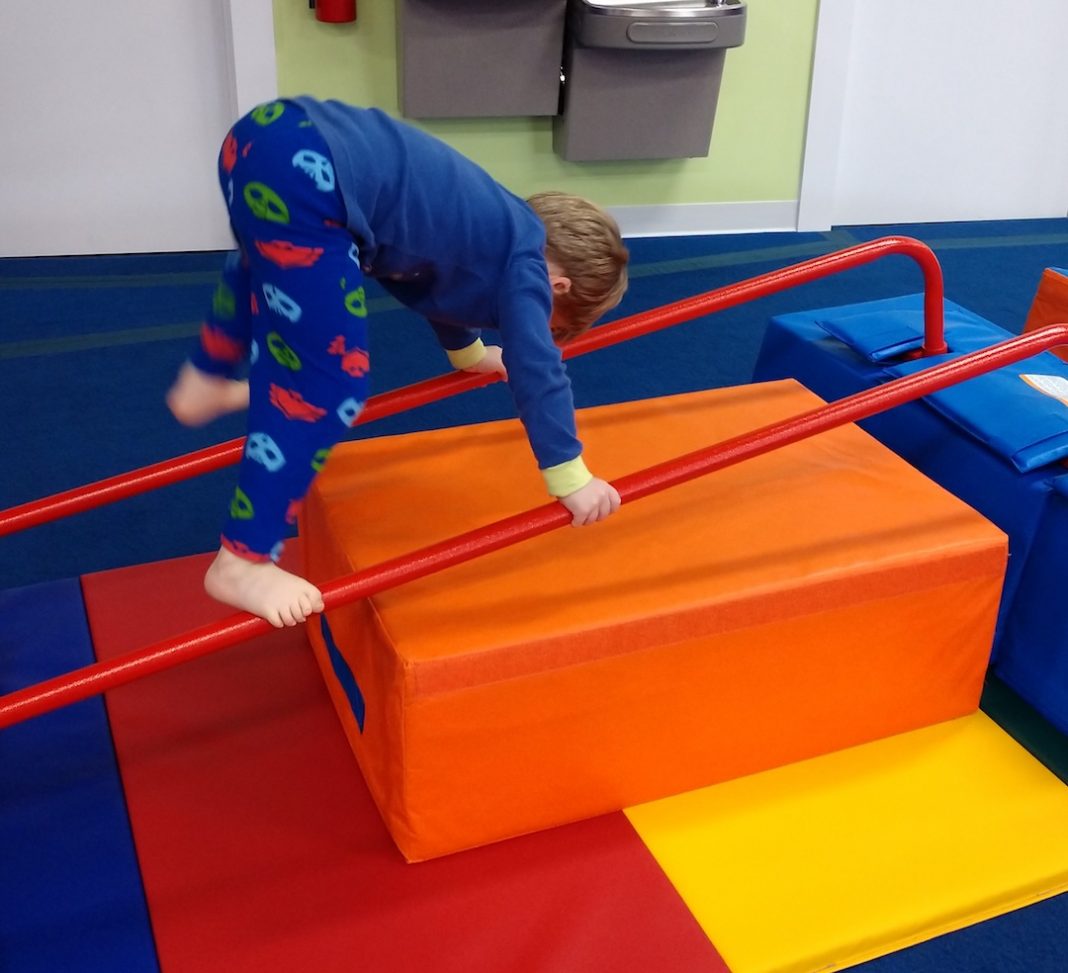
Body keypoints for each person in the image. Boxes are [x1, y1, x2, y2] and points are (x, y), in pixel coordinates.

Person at [166, 97, 629, 628]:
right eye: (550, 319)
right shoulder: (527, 266)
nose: (526, 322)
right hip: (314, 175)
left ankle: (209, 371)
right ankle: (243, 560)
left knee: (264, 260)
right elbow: (537, 368)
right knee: (330, 385)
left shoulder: (488, 226)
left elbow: (436, 283)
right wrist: (571, 477)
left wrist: (470, 354)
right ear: (558, 288)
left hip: (270, 136)